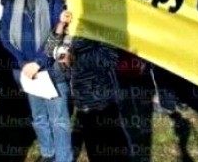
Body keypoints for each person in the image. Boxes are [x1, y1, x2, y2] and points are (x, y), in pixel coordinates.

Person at [0, 0, 72, 162]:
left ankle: (64, 158)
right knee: (39, 117)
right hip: (27, 72)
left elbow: (57, 32)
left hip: (51, 68)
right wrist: (24, 64)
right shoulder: (12, 0)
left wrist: (39, 62)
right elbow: (5, 35)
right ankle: (48, 153)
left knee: (59, 119)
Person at [46, 13, 133, 161]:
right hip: (82, 103)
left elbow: (110, 57)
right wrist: (61, 25)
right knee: (95, 151)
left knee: (114, 151)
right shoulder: (68, 24)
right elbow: (49, 50)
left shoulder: (97, 21)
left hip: (102, 102)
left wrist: (75, 58)